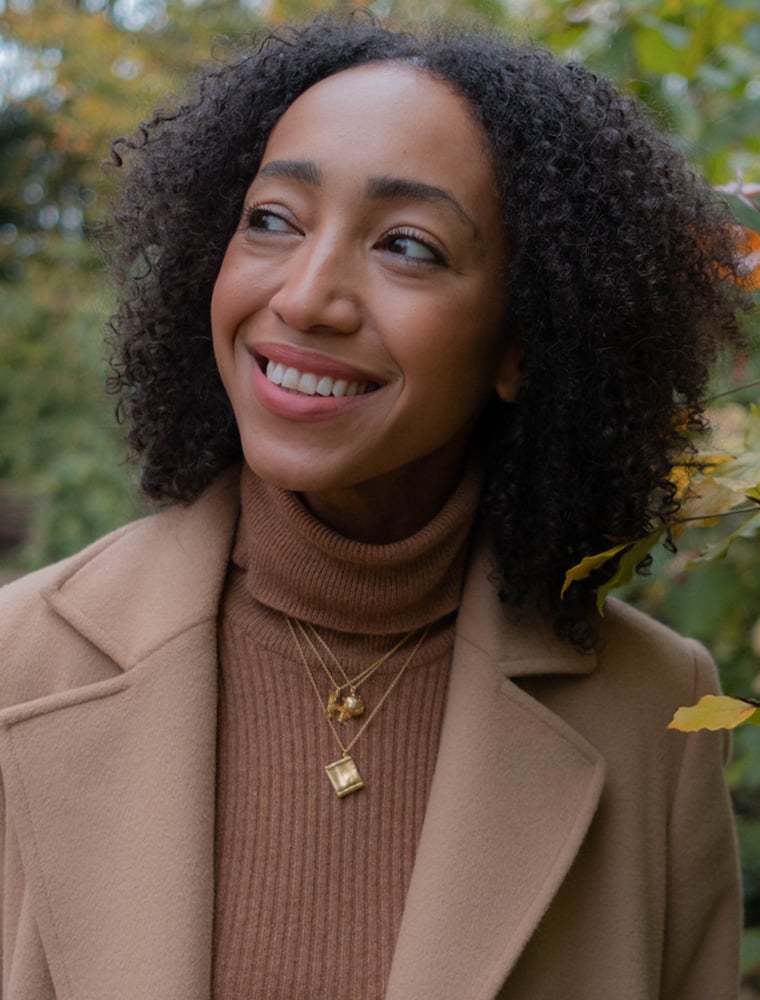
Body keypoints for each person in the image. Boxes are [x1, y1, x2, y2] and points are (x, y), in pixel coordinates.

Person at [0, 12, 747, 999]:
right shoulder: (17, 665)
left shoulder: (652, 712)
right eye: (272, 218)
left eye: (408, 246)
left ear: (524, 339)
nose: (308, 297)